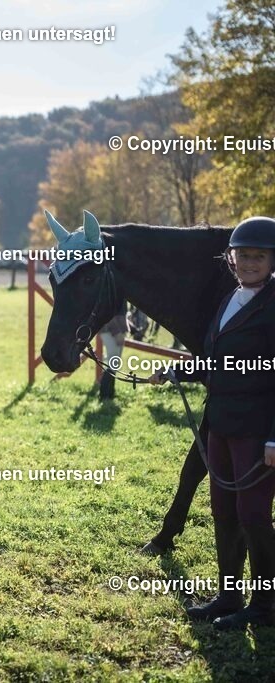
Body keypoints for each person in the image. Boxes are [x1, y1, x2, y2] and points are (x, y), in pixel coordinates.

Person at [149, 216, 275, 630]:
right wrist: (176, 371)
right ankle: (228, 595)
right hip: (219, 424)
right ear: (231, 258)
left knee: (253, 513)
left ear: (272, 261)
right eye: (243, 256)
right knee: (223, 509)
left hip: (257, 429)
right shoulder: (229, 299)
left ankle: (266, 604)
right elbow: (214, 360)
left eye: (259, 257)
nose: (249, 263)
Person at [98, 303, 129, 400]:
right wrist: (117, 332)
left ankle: (110, 393)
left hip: (118, 328)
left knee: (115, 363)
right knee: (113, 362)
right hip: (110, 330)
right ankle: (104, 395)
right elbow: (107, 311)